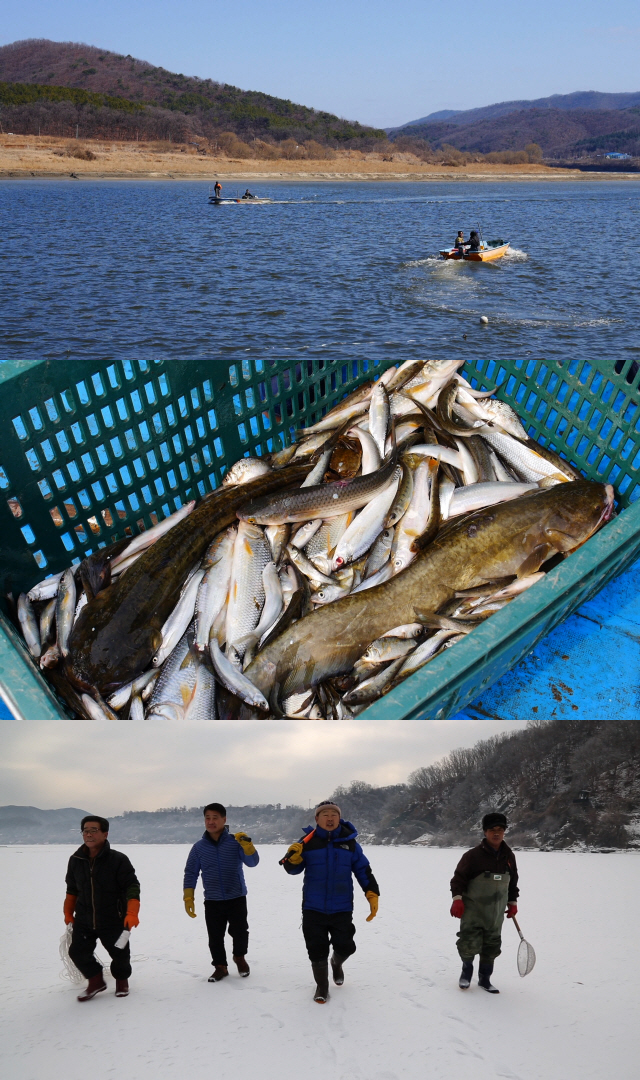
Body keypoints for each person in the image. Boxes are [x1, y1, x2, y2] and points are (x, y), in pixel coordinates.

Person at [281, 799, 380, 1003]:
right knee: (316, 949)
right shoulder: (306, 843)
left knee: (346, 946)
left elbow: (363, 869)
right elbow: (292, 869)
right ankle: (322, 986)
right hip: (313, 906)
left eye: (333, 814)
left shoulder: (349, 843)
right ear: (317, 819)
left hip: (341, 907)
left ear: (339, 818)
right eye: (325, 814)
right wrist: (294, 859)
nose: (330, 818)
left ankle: (336, 962)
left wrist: (372, 892)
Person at [64, 815, 140, 1002]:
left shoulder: (118, 860)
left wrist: (132, 912)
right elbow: (72, 888)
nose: (88, 834)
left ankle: (122, 981)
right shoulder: (75, 860)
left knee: (120, 953)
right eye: (85, 830)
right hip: (84, 917)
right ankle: (96, 980)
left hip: (115, 917)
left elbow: (132, 886)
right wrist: (68, 911)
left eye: (93, 830)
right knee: (77, 952)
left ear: (105, 834)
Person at [183, 802, 259, 982]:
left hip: (236, 896)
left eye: (215, 818)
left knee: (240, 931)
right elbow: (191, 872)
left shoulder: (236, 842)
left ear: (224, 820)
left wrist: (248, 847)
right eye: (207, 818)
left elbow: (253, 862)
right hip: (213, 899)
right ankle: (220, 966)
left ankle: (239, 958)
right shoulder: (198, 848)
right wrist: (188, 896)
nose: (211, 822)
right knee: (215, 936)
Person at [449, 811, 519, 994]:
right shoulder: (472, 856)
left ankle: (485, 979)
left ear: (504, 832)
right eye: (492, 829)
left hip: (496, 914)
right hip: (473, 911)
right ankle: (466, 973)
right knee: (469, 942)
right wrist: (457, 900)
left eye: (500, 829)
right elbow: (457, 880)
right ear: (485, 832)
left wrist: (512, 903)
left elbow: (513, 883)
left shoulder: (509, 857)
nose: (496, 833)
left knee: (492, 945)